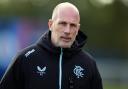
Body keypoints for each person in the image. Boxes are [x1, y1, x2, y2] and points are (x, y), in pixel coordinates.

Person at [0, 2, 103, 89]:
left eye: (72, 25)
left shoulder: (88, 64)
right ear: (50, 25)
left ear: (78, 28)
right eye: (62, 23)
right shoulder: (25, 59)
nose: (67, 30)